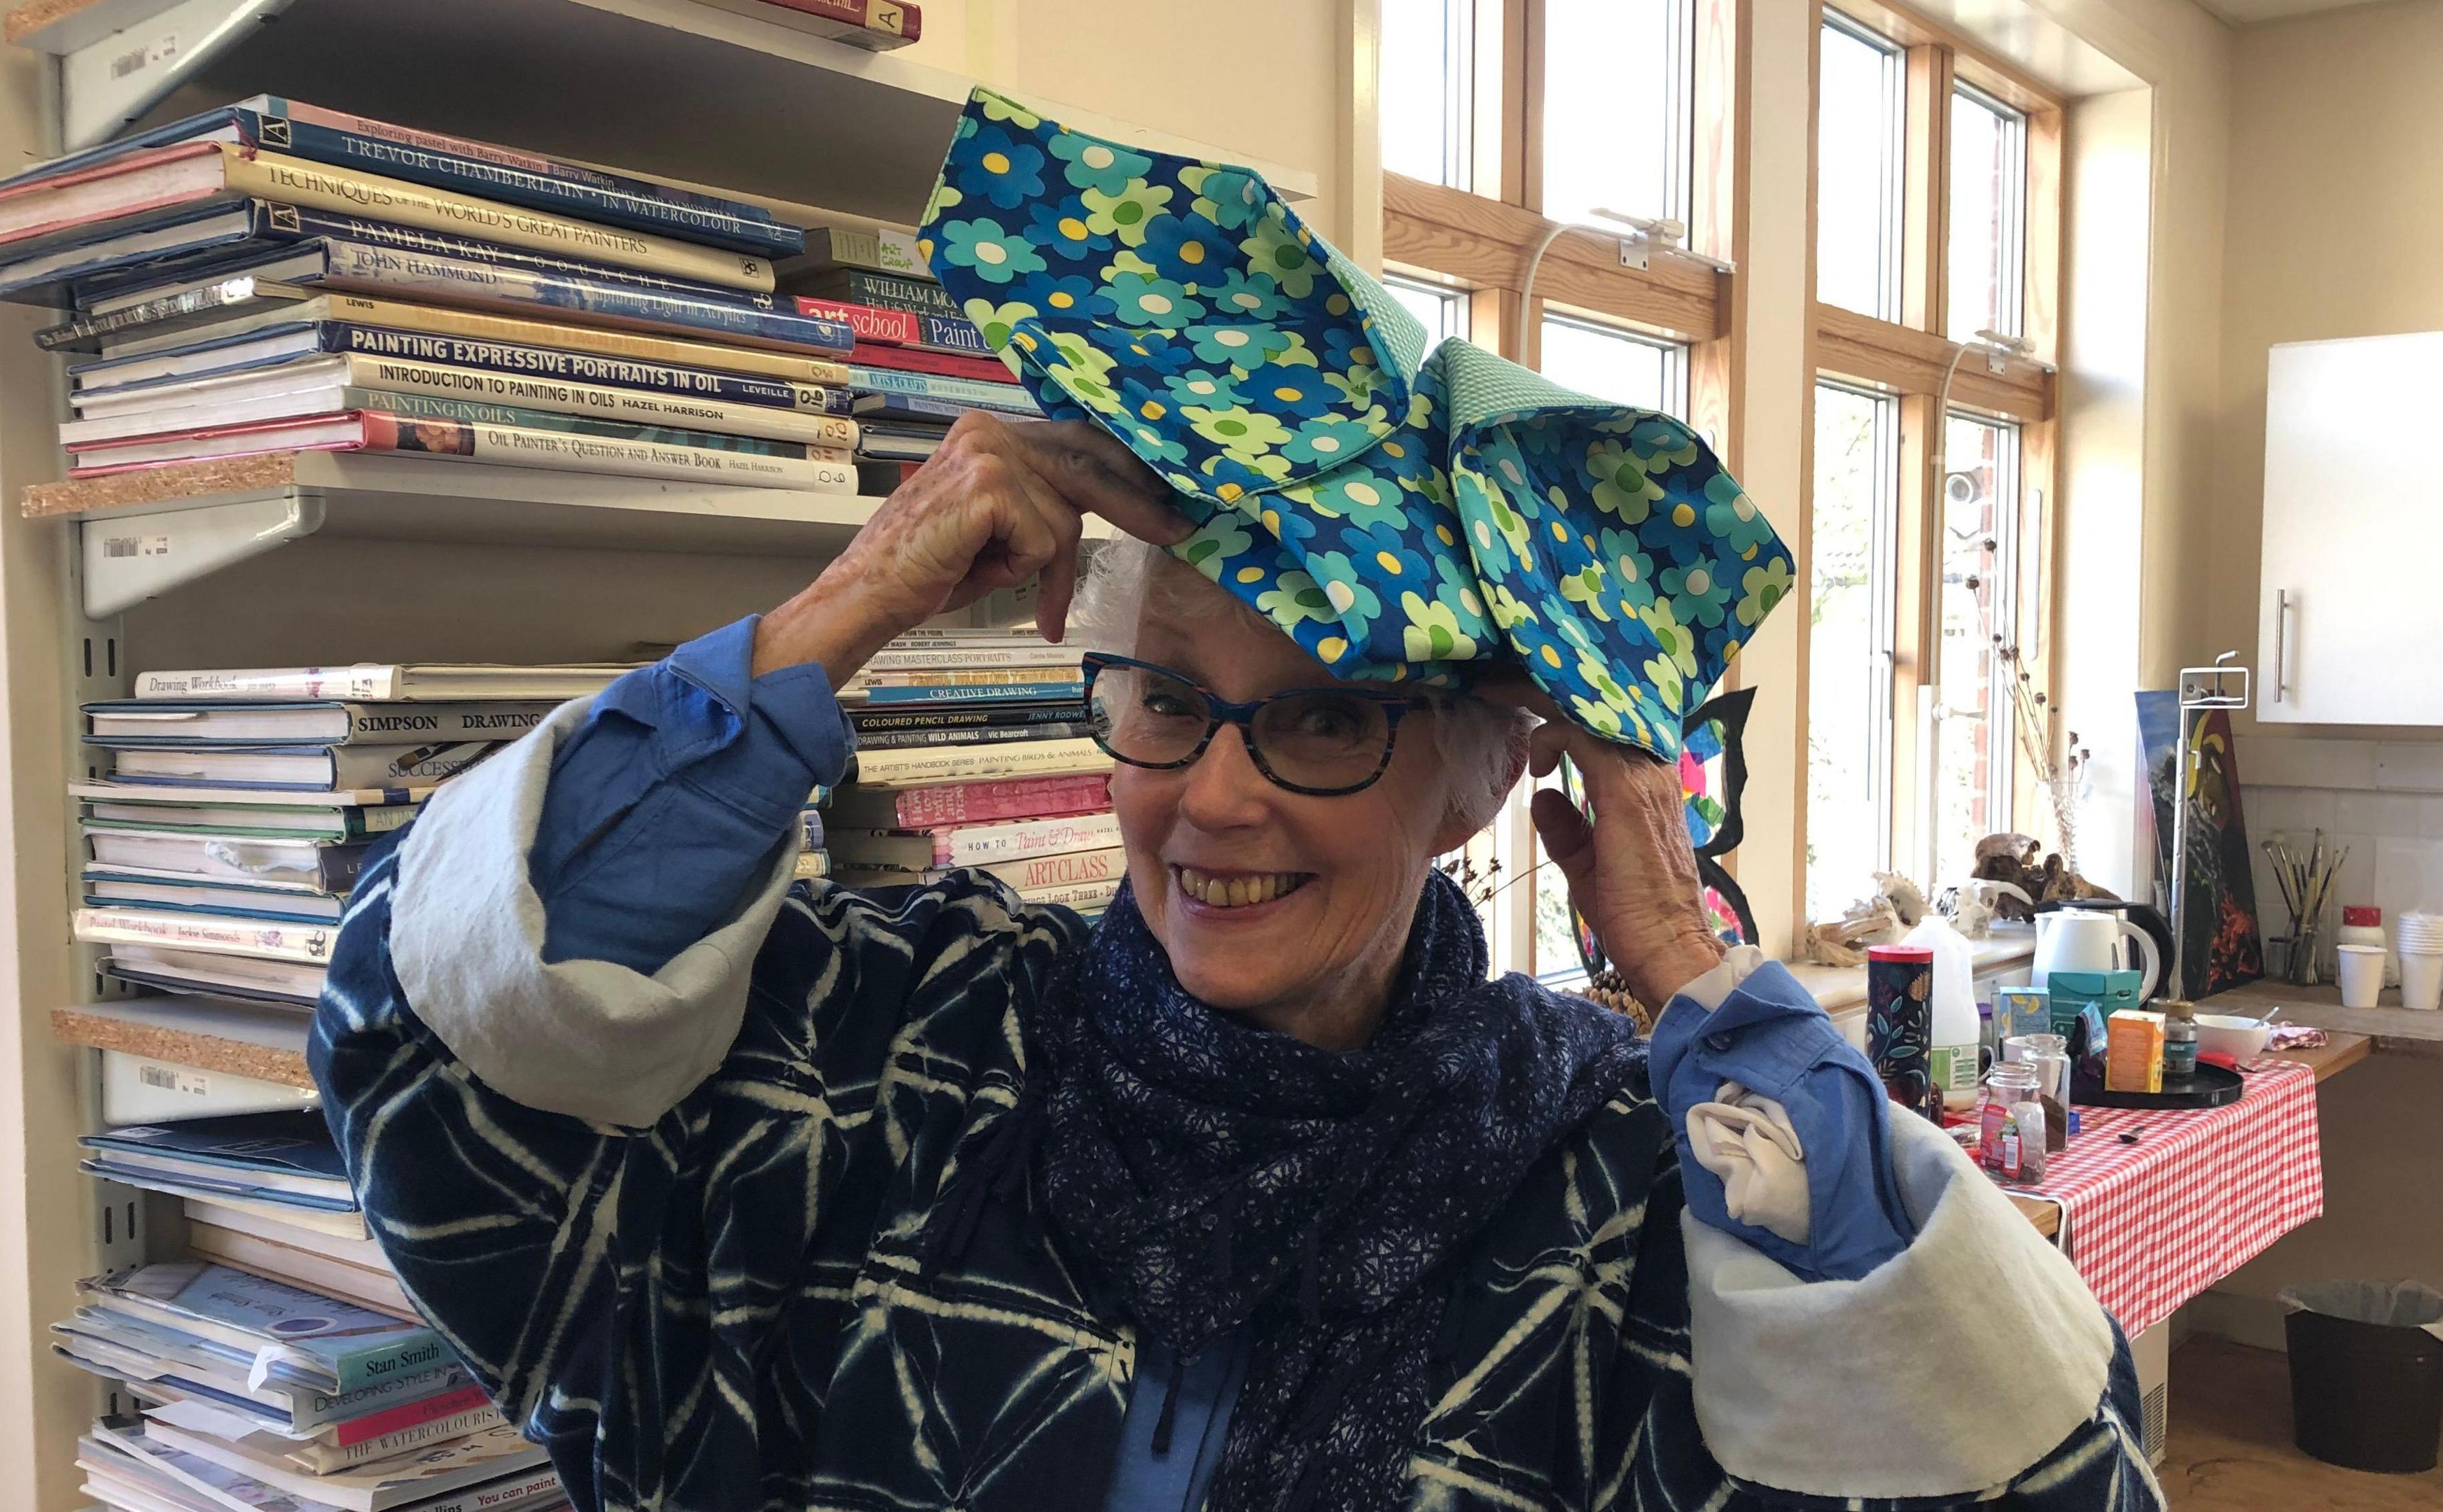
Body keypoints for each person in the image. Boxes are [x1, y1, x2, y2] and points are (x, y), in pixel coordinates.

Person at [313, 88, 2160, 1512]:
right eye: (1174, 700)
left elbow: (2040, 1479)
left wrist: (1682, 959)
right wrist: (857, 596)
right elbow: (418, 1040)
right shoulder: (888, 1052)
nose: (1210, 798)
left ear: (1491, 769)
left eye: (1324, 722)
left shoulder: (1616, 1206)